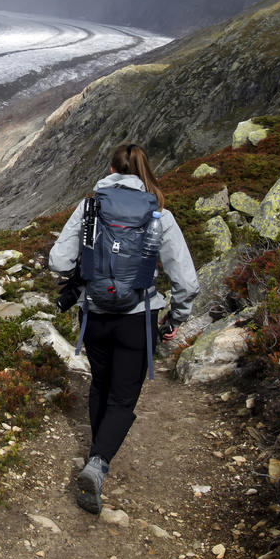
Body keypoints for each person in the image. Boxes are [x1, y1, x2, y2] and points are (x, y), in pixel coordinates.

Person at [48, 142, 200, 513]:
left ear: (111, 170)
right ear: (143, 171)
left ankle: (95, 454)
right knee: (122, 397)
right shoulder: (159, 214)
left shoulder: (90, 207)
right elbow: (187, 282)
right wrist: (174, 320)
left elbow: (58, 260)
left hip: (94, 315)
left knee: (100, 384)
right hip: (139, 317)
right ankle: (98, 464)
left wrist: (87, 274)